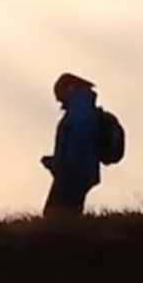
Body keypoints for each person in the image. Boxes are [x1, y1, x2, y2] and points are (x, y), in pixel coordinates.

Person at [41, 72, 103, 217]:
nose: (60, 101)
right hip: (79, 173)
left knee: (55, 215)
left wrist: (60, 166)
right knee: (69, 214)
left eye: (60, 96)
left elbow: (76, 147)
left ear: (70, 88)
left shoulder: (80, 111)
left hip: (72, 174)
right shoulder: (85, 108)